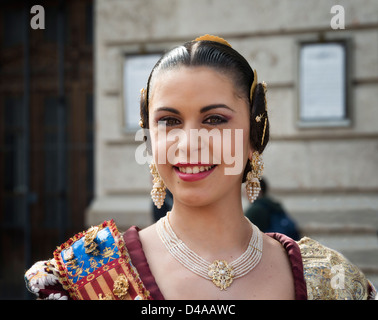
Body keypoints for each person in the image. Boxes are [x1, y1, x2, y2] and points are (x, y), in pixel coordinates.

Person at [25, 35, 376, 300]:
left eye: (214, 119)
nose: (189, 142)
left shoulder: (329, 281)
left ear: (256, 134)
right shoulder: (84, 276)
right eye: (169, 121)